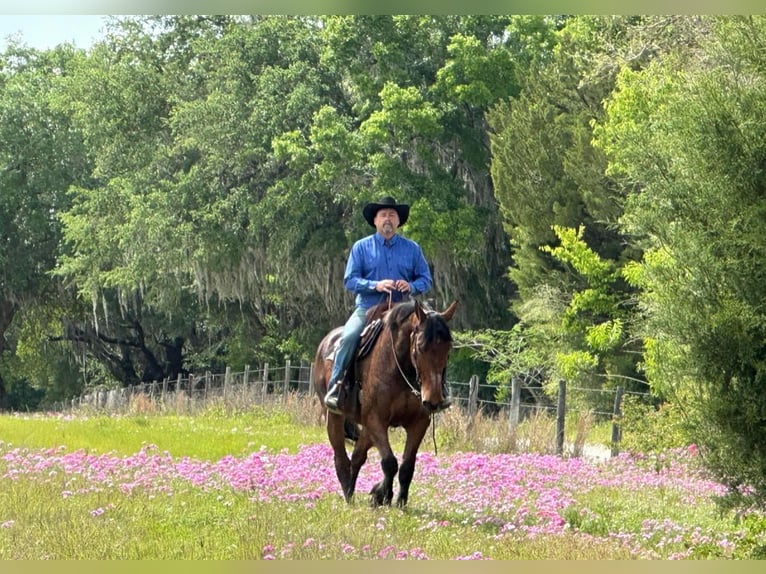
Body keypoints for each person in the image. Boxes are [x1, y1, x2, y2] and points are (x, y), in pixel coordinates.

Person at [323, 195, 451, 414]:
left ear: (399, 221)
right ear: (375, 220)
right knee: (349, 337)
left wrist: (410, 286)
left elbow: (426, 279)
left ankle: (441, 388)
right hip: (369, 308)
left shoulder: (412, 249)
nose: (388, 219)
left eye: (392, 215)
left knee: (435, 337)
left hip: (405, 311)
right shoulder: (361, 248)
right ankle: (337, 386)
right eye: (383, 215)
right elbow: (350, 280)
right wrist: (375, 285)